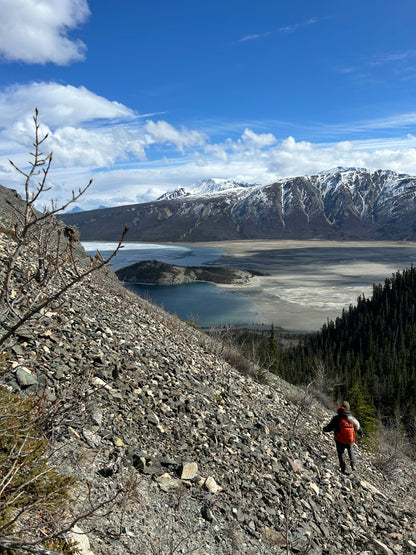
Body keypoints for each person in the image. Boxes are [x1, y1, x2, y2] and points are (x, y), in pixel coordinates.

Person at [323, 401, 363, 474]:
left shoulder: (337, 418)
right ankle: (353, 464)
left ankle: (343, 468)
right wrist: (361, 434)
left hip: (339, 439)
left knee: (341, 453)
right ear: (348, 409)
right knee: (350, 449)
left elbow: (330, 427)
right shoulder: (352, 418)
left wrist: (324, 429)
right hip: (349, 439)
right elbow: (358, 427)